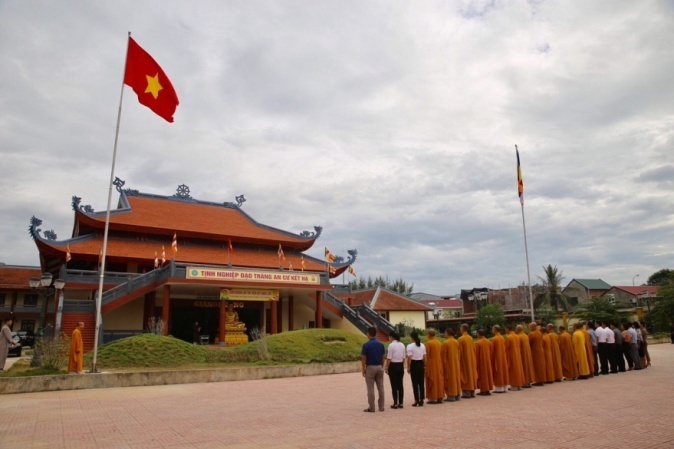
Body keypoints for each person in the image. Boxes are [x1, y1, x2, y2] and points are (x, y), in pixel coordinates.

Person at [361, 327, 385, 412]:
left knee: (370, 388)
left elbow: (364, 358)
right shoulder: (381, 344)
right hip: (379, 367)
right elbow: (383, 357)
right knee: (381, 387)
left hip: (370, 367)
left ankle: (372, 407)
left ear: (369, 334)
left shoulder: (366, 345)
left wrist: (363, 368)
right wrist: (382, 366)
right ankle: (381, 407)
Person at [385, 331, 405, 409]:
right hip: (400, 365)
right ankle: (401, 402)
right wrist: (401, 365)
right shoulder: (402, 345)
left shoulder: (391, 345)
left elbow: (389, 358)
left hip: (393, 366)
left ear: (391, 337)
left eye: (389, 337)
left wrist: (386, 367)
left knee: (394, 385)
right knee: (400, 384)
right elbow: (404, 358)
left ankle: (395, 403)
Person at [406, 330, 426, 407]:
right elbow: (424, 356)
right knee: (421, 383)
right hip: (420, 363)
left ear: (412, 338)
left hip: (414, 364)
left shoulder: (409, 346)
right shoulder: (422, 345)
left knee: (415, 383)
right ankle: (422, 399)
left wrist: (408, 366)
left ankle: (416, 399)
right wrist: (424, 365)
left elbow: (409, 358)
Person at [424, 329, 444, 404]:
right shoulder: (439, 343)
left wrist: (425, 365)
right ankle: (439, 397)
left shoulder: (429, 343)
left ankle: (433, 398)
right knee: (439, 380)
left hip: (431, 365)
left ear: (429, 335)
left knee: (432, 380)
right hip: (438, 364)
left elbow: (427, 355)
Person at [442, 328, 461, 402]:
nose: (444, 334)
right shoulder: (456, 342)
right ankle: (457, 394)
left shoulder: (446, 343)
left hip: (449, 364)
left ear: (447, 333)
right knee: (456, 378)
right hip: (456, 363)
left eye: (445, 332)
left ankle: (451, 395)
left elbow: (443, 356)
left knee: (450, 379)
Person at [458, 324, 477, 398]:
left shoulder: (460, 339)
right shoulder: (471, 338)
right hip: (471, 359)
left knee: (465, 374)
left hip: (464, 360)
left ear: (462, 329)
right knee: (471, 374)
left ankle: (466, 392)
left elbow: (459, 351)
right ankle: (472, 392)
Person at [505, 324, 524, 390]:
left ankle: (514, 385)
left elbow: (506, 348)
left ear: (507, 329)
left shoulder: (508, 337)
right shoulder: (517, 336)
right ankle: (519, 384)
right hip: (517, 355)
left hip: (511, 356)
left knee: (513, 370)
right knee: (518, 369)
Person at [490, 325, 509, 393]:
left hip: (497, 358)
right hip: (502, 357)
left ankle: (499, 388)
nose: (492, 330)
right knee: (503, 370)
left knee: (498, 371)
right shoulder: (502, 338)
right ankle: (504, 387)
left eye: (492, 329)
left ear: (495, 330)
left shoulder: (494, 339)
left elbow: (492, 350)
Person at [475, 329, 493, 395]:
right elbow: (491, 352)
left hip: (481, 362)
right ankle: (487, 389)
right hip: (488, 361)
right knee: (488, 375)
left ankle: (483, 390)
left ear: (478, 334)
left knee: (482, 376)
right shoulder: (489, 342)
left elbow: (476, 354)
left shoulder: (477, 343)